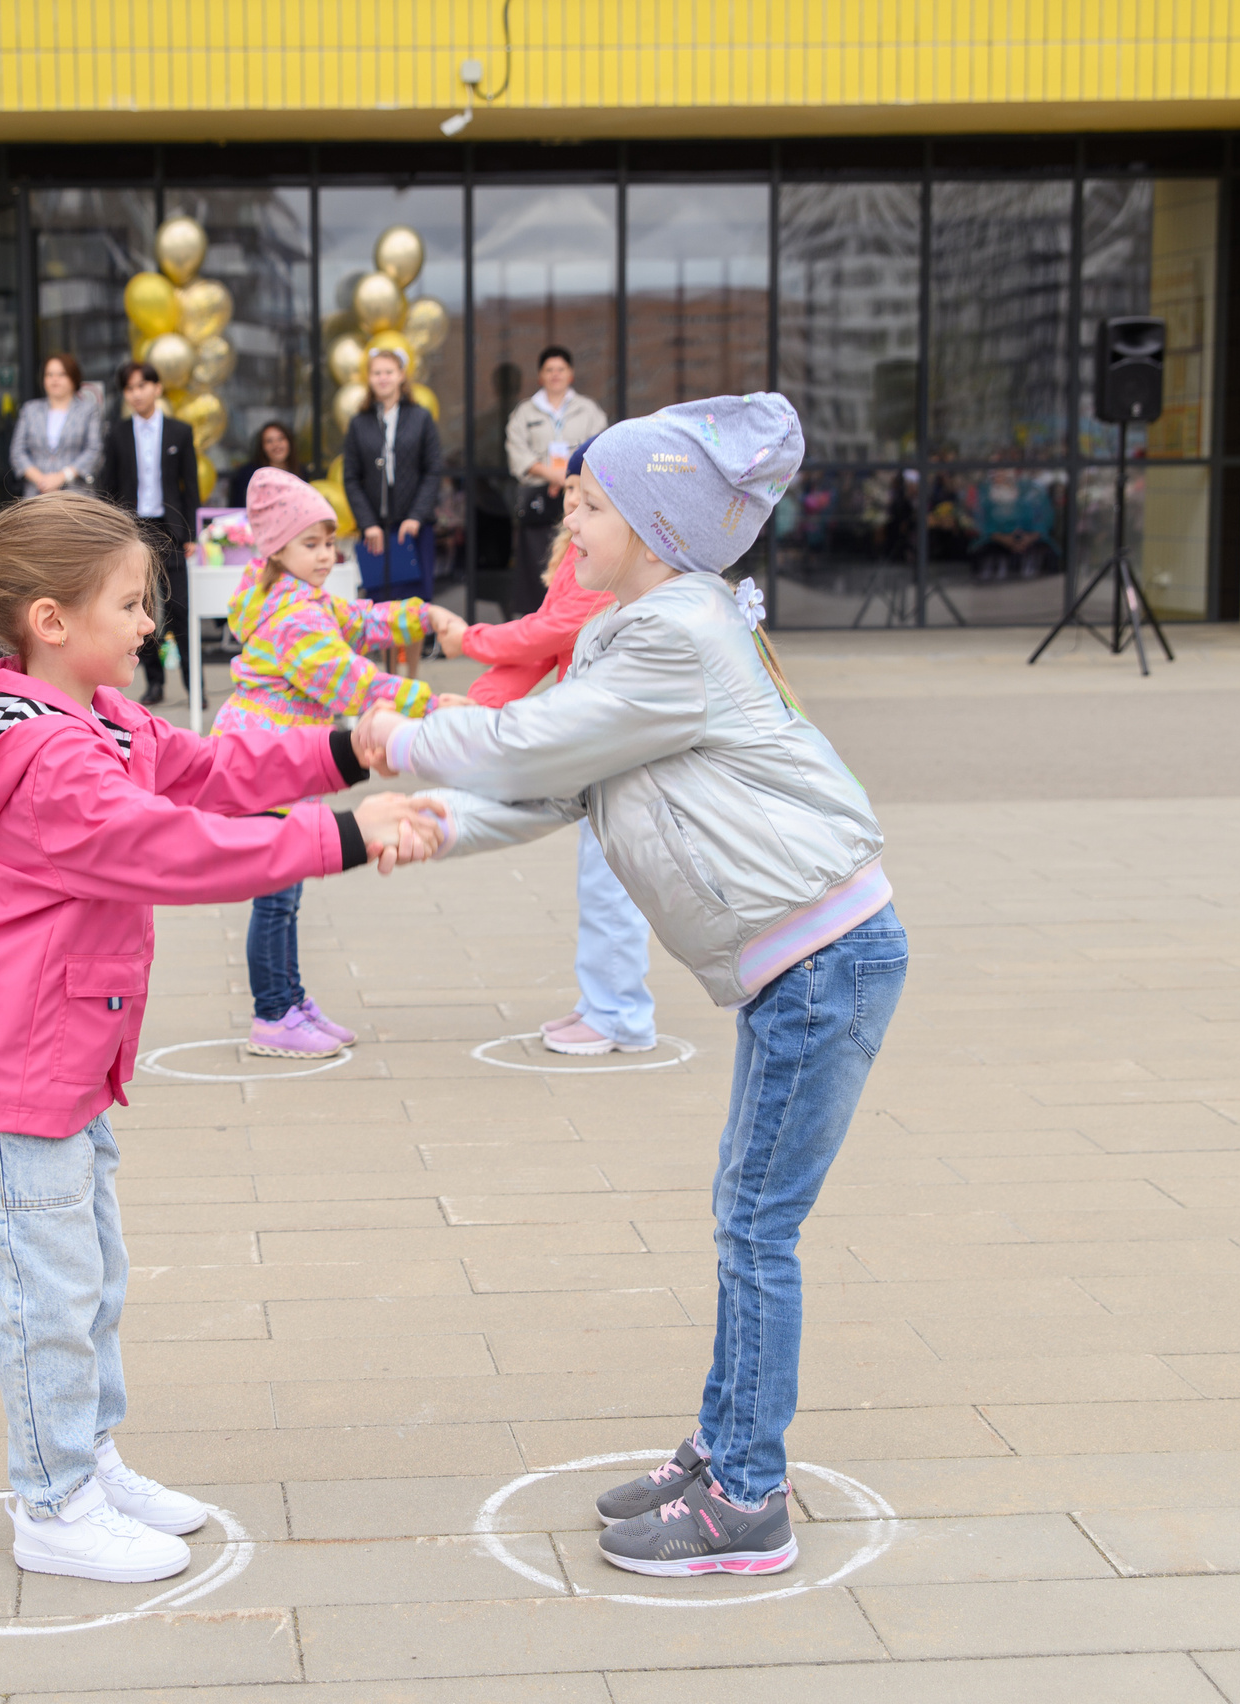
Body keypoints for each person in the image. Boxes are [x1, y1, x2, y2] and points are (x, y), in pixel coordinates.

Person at [359, 394, 904, 1580]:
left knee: (756, 1225)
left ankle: (747, 1498)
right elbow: (557, 786)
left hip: (824, 955)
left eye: (592, 505)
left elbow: (527, 744)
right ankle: (722, 1448)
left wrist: (403, 740)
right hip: (801, 957)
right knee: (743, 1214)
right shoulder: (634, 630)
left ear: (657, 530)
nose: (570, 523)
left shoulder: (676, 638)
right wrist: (432, 824)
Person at [0, 490, 444, 1585]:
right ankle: (53, 1502)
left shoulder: (100, 717)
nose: (151, 623)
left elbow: (212, 773)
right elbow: (174, 846)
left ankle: (88, 1461)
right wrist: (340, 836)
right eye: (132, 604)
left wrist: (350, 747)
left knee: (90, 1281)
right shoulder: (52, 757)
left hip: (61, 1061)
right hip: (16, 1070)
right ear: (51, 621)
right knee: (49, 1299)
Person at [211, 468, 467, 1059]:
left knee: (287, 888)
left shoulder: (300, 597)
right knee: (277, 893)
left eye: (330, 542)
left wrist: (424, 616)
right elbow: (351, 682)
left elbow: (362, 621)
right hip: (266, 763)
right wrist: (429, 703)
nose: (326, 555)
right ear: (277, 548)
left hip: (279, 759)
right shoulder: (294, 616)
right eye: (311, 544)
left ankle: (290, 999)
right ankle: (273, 1014)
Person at [433, 435, 656, 1058]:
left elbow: (549, 631)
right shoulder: (577, 555)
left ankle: (620, 1014)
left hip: (616, 739)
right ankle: (605, 1001)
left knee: (611, 880)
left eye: (590, 499)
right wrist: (476, 706)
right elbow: (545, 649)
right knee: (600, 877)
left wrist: (469, 640)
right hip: (592, 738)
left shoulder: (616, 563)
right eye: (570, 493)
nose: (572, 510)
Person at [96, 362, 202, 706]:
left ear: (156, 388)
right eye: (130, 388)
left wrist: (191, 533)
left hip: (171, 529)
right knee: (140, 607)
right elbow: (108, 485)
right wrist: (110, 532)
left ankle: (194, 684)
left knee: (180, 606)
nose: (136, 393)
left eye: (142, 385)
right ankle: (154, 683)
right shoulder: (117, 433)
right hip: (133, 529)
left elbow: (190, 486)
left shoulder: (179, 431)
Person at [502, 345, 607, 619]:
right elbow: (517, 454)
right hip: (539, 500)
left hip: (579, 496)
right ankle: (537, 622)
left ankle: (570, 617)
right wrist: (554, 476)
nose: (555, 375)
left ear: (571, 374)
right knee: (536, 568)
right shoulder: (525, 412)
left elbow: (599, 447)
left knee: (576, 557)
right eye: (549, 370)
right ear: (540, 376)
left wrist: (570, 480)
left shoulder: (588, 410)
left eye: (561, 369)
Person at [341, 348, 446, 611]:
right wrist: (368, 523)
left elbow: (433, 470)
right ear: (369, 378)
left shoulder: (421, 417)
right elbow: (351, 477)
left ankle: (416, 645)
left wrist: (416, 517)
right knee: (379, 605)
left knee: (415, 606)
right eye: (377, 373)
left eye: (388, 372)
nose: (383, 378)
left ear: (401, 375)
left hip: (413, 529)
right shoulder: (359, 423)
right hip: (375, 532)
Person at [12, 353, 106, 498]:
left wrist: (61, 477)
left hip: (76, 493)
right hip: (37, 494)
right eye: (49, 375)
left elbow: (94, 450)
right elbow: (17, 452)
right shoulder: (30, 410)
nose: (54, 379)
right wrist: (42, 481)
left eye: (61, 374)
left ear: (73, 377)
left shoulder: (88, 410)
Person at [229, 421, 308, 505]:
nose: (276, 445)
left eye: (281, 439)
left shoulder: (302, 472)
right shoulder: (247, 474)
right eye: (269, 441)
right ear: (262, 447)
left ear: (289, 442)